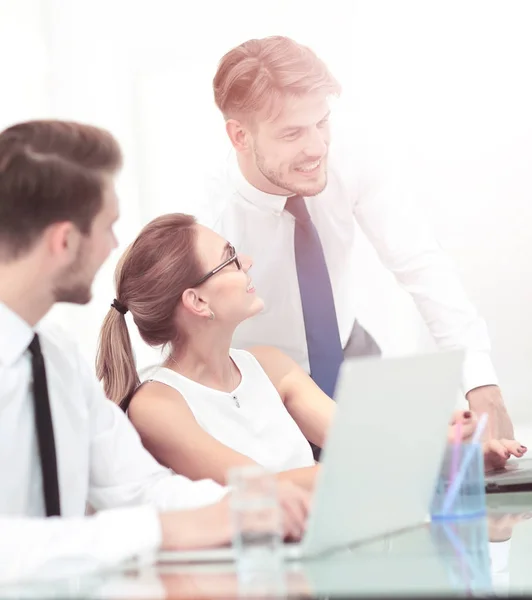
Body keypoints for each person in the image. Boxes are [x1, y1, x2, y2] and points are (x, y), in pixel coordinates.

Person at [0, 120, 309, 585]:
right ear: (63, 242)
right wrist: (162, 529)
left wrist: (243, 508)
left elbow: (142, 489)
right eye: (108, 227)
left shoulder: (56, 359)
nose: (112, 246)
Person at [201, 35, 514, 451]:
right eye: (292, 132)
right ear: (239, 136)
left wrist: (480, 378)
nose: (317, 147)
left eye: (321, 122)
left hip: (352, 355)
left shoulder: (351, 154)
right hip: (261, 386)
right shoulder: (205, 218)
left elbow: (419, 261)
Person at [96, 213, 525, 491]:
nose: (245, 261)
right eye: (228, 259)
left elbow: (359, 442)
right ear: (198, 302)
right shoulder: (156, 403)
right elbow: (260, 491)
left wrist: (451, 455)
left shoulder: (268, 365)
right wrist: (406, 458)